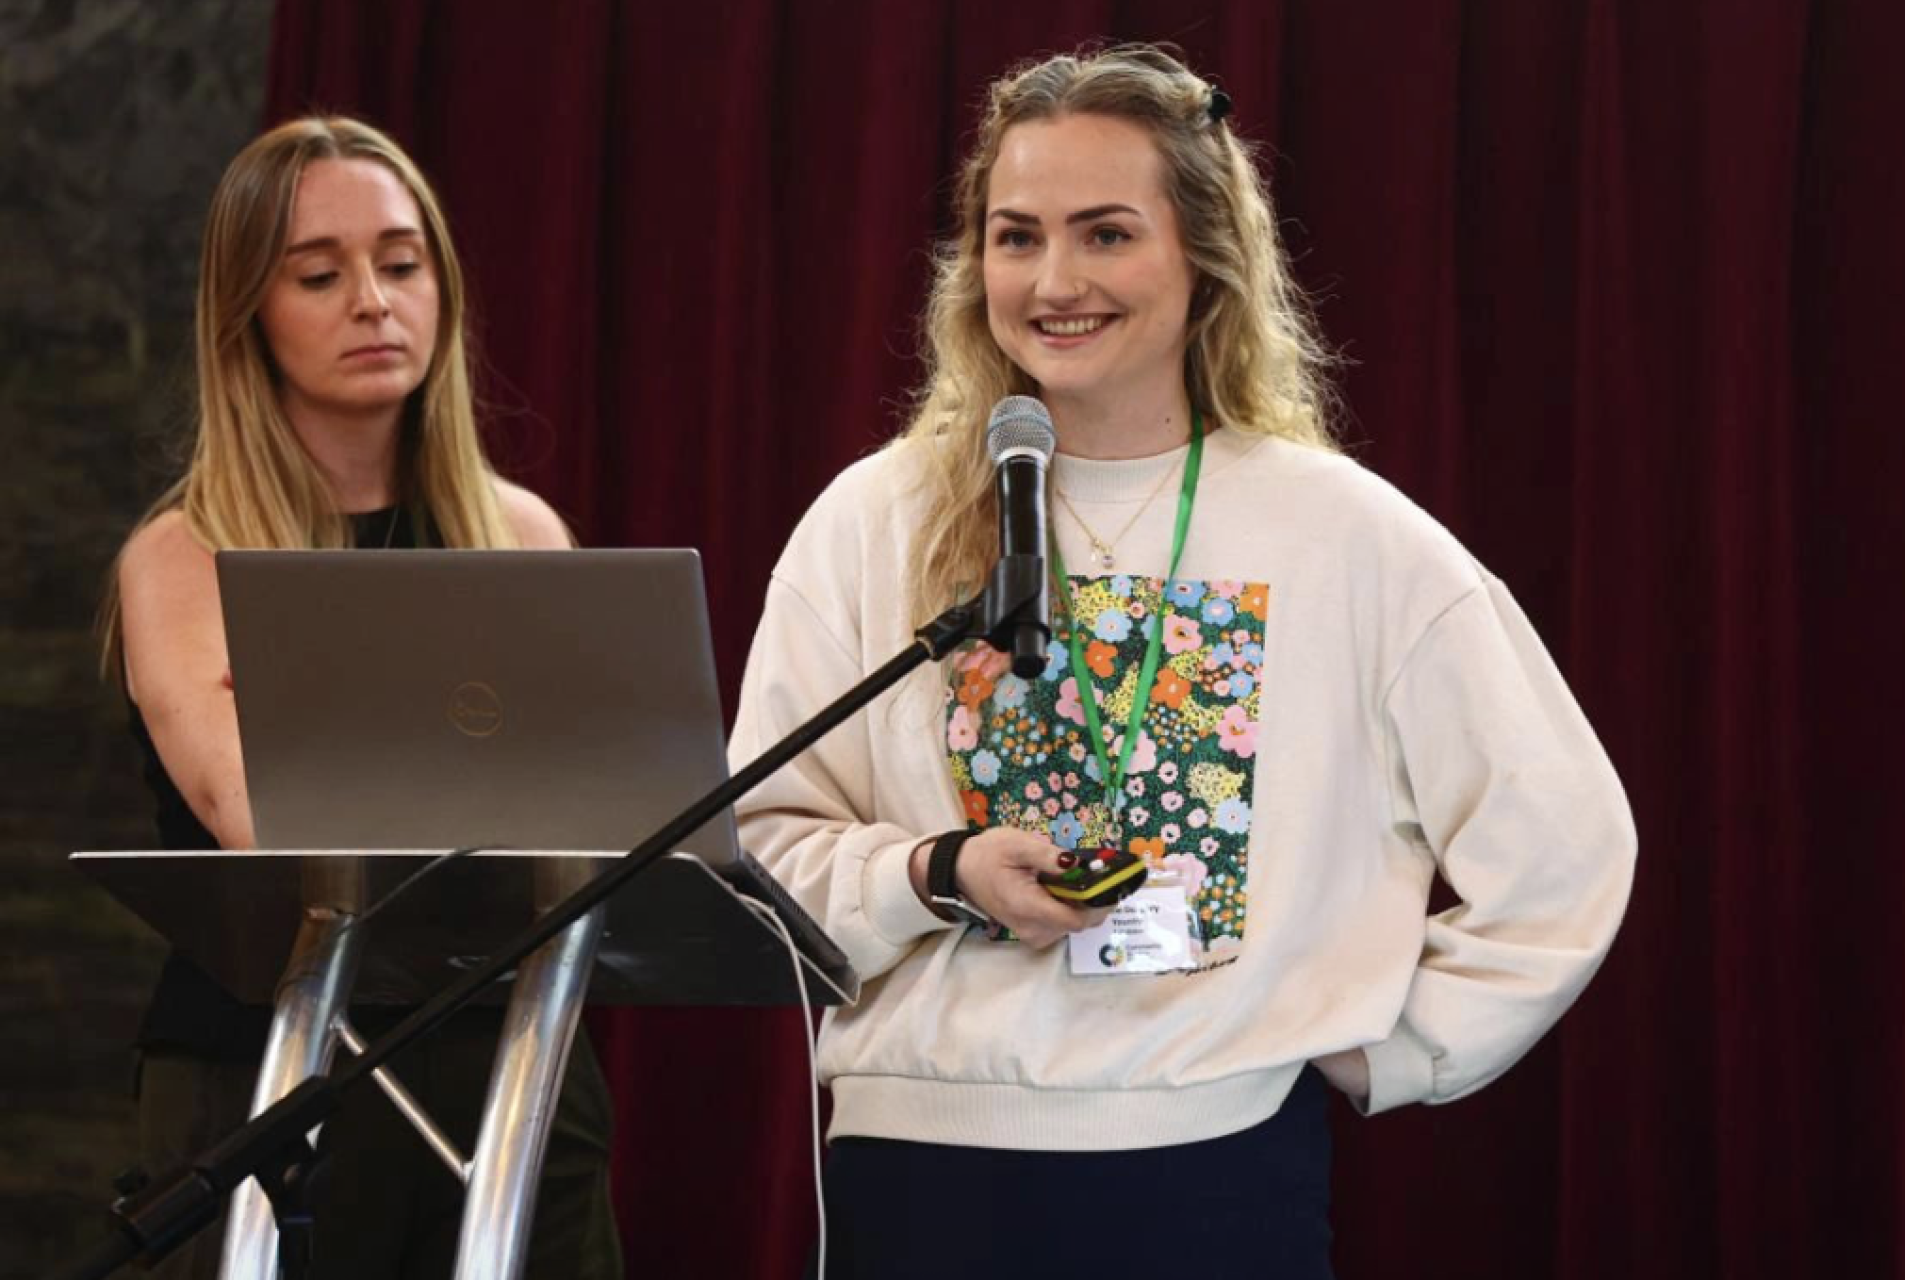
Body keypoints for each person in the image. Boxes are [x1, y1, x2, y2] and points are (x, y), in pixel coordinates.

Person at [728, 45, 1635, 1278]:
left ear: (1203, 256)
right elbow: (756, 850)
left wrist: (1384, 1043)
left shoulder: (1343, 532)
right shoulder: (872, 520)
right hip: (918, 1171)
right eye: (1015, 235)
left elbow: (1565, 844)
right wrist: (938, 872)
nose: (1054, 281)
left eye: (1106, 234)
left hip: (1213, 1175)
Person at [103, 117, 620, 1279]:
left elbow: (592, 817)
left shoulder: (520, 534)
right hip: (264, 1067)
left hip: (514, 1064)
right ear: (248, 313)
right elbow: (267, 819)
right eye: (320, 274)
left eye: (401, 261)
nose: (375, 301)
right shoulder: (187, 555)